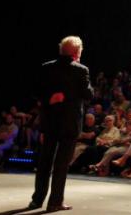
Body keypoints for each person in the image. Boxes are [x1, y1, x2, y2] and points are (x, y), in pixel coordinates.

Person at [29, 36, 93, 212]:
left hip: (50, 122)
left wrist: (51, 98)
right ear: (76, 52)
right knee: (61, 164)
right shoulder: (81, 70)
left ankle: (37, 200)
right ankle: (55, 201)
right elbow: (88, 95)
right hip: (70, 124)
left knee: (45, 162)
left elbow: (36, 92)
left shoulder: (46, 67)